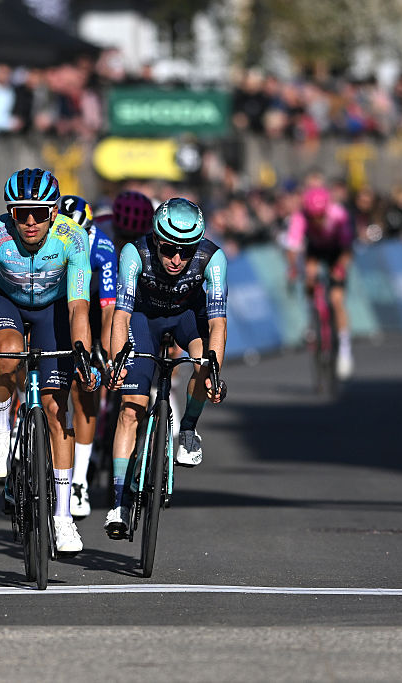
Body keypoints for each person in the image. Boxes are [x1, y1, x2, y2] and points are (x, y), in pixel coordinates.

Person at [0, 168, 100, 554]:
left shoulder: (73, 238)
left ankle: (62, 518)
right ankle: (0, 433)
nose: (29, 222)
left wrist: (83, 355)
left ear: (53, 212)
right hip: (9, 305)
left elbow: (79, 306)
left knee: (58, 408)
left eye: (39, 213)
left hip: (54, 309)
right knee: (6, 353)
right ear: (10, 211)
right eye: (20, 212)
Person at [105, 198, 228, 540]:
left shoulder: (212, 257)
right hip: (143, 319)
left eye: (186, 252)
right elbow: (122, 316)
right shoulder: (134, 252)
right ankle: (118, 501)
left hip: (188, 317)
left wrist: (214, 369)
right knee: (131, 408)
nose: (177, 259)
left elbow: (217, 323)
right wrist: (118, 363)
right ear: (157, 240)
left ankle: (187, 428)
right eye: (170, 249)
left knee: (205, 363)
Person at [58, 194, 116, 520]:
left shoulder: (103, 250)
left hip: (91, 310)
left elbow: (108, 312)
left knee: (85, 388)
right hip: (57, 304)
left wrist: (104, 351)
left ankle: (79, 480)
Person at [285, 184, 355, 379]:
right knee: (309, 273)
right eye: (312, 216)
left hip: (336, 251)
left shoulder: (338, 215)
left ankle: (345, 351)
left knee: (336, 300)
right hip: (314, 250)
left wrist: (339, 269)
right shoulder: (301, 217)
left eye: (320, 216)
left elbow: (347, 250)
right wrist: (293, 268)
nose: (316, 220)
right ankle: (311, 316)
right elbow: (292, 247)